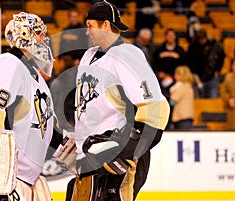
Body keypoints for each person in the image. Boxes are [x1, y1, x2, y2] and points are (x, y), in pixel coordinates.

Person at [65, 1, 170, 200]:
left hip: (117, 158)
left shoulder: (127, 55)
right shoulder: (88, 56)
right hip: (91, 156)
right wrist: (78, 141)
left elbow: (156, 108)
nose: (86, 32)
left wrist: (126, 150)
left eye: (90, 25)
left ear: (106, 25)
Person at [0, 12, 55, 201]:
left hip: (26, 178)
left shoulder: (36, 77)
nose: (45, 39)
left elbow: (43, 126)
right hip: (5, 176)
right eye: (39, 33)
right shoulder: (9, 63)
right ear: (24, 35)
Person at [186, 28, 225, 98]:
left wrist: (218, 70)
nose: (202, 41)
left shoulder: (214, 45)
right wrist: (193, 73)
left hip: (212, 77)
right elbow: (189, 61)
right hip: (197, 78)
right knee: (198, 102)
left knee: (213, 102)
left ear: (206, 37)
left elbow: (221, 57)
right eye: (200, 40)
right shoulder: (192, 47)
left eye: (203, 39)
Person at [170, 65, 194, 130]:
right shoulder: (188, 86)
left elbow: (172, 102)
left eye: (177, 74)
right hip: (186, 117)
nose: (175, 75)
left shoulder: (182, 87)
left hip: (182, 117)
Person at [220, 59, 235, 130]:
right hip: (231, 111)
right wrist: (229, 99)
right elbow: (223, 92)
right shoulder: (228, 78)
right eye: (234, 65)